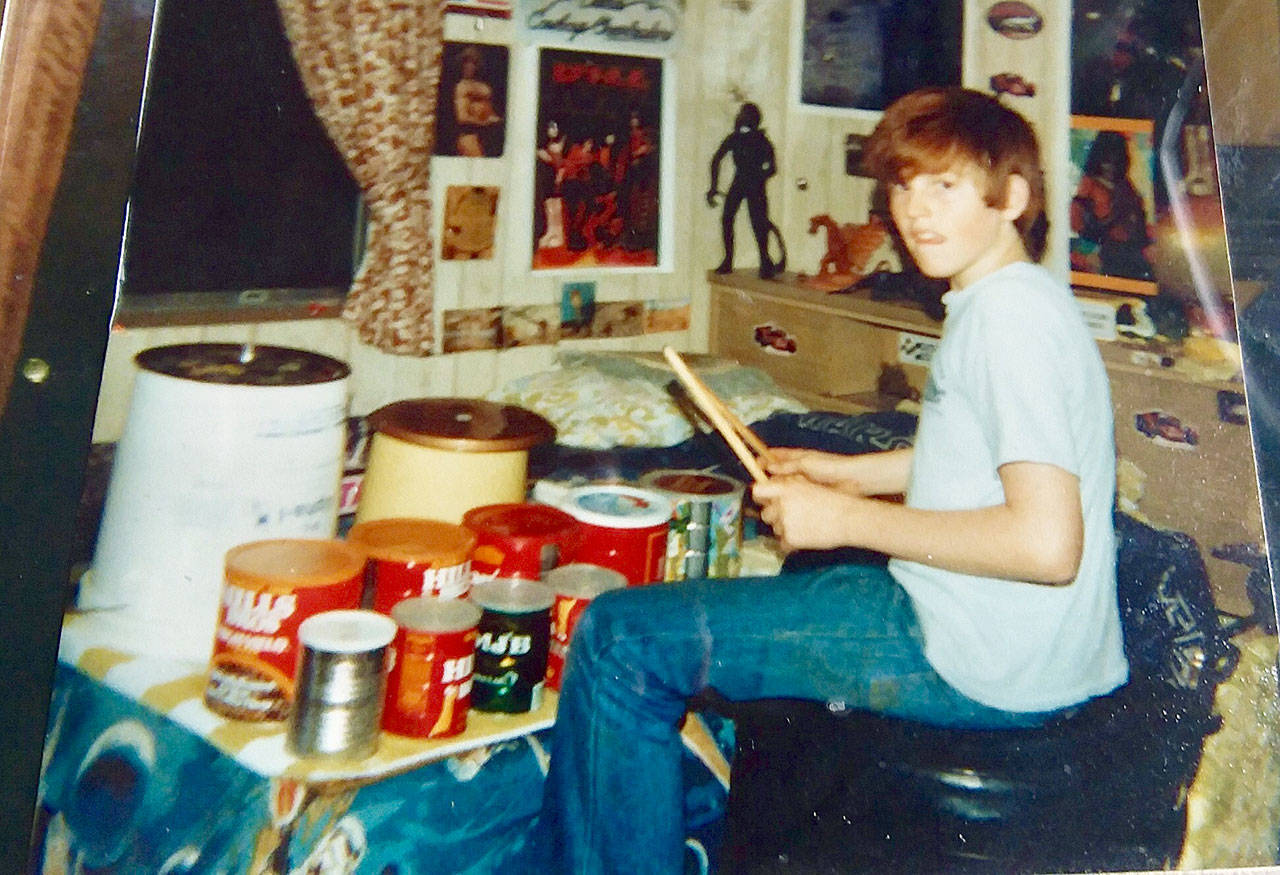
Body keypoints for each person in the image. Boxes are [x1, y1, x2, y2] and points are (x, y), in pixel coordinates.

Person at [542, 86, 1127, 874]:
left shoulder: (1006, 325)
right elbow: (984, 453)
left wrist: (843, 520)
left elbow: (1047, 543)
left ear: (1012, 197)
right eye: (903, 185)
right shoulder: (1019, 301)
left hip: (972, 656)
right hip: (1025, 649)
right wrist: (847, 474)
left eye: (944, 185)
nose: (915, 209)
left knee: (618, 637)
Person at [707, 102, 780, 278]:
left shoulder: (762, 141)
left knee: (758, 223)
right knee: (727, 218)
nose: (739, 117)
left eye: (744, 114)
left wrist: (760, 176)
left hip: (754, 184)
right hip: (740, 182)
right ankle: (728, 260)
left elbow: (772, 168)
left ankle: (764, 260)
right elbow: (716, 160)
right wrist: (713, 187)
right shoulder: (734, 138)